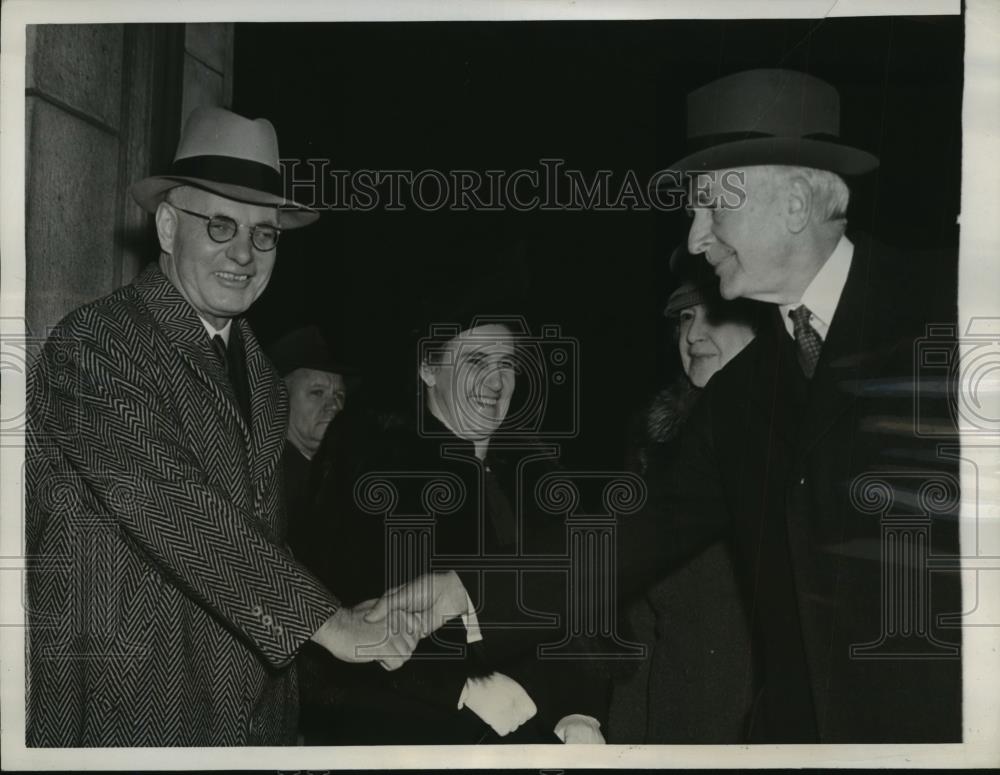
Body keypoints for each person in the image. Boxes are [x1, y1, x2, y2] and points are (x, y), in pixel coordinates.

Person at [25, 107, 416, 747]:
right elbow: (169, 500)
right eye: (221, 225)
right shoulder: (94, 345)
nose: (243, 252)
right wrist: (327, 622)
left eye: (265, 233)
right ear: (169, 225)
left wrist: (349, 610)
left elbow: (254, 532)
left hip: (252, 720)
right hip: (132, 717)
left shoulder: (260, 371)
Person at [616, 68, 961, 743]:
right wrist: (464, 595)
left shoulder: (953, 302)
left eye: (713, 204)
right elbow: (634, 535)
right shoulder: (739, 395)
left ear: (795, 205)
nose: (694, 237)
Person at [295, 309, 609, 745]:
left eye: (507, 365)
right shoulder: (373, 470)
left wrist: (578, 708)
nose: (496, 384)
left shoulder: (537, 477)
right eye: (476, 363)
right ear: (427, 368)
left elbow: (577, 612)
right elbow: (333, 624)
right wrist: (458, 690)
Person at [610, 246, 758, 742]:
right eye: (684, 318)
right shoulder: (653, 449)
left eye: (712, 315)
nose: (693, 333)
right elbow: (636, 626)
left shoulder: (800, 443)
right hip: (682, 721)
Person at [266, 324, 354, 542]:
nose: (334, 405)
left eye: (340, 395)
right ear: (280, 399)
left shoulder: (341, 472)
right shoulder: (270, 485)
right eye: (317, 392)